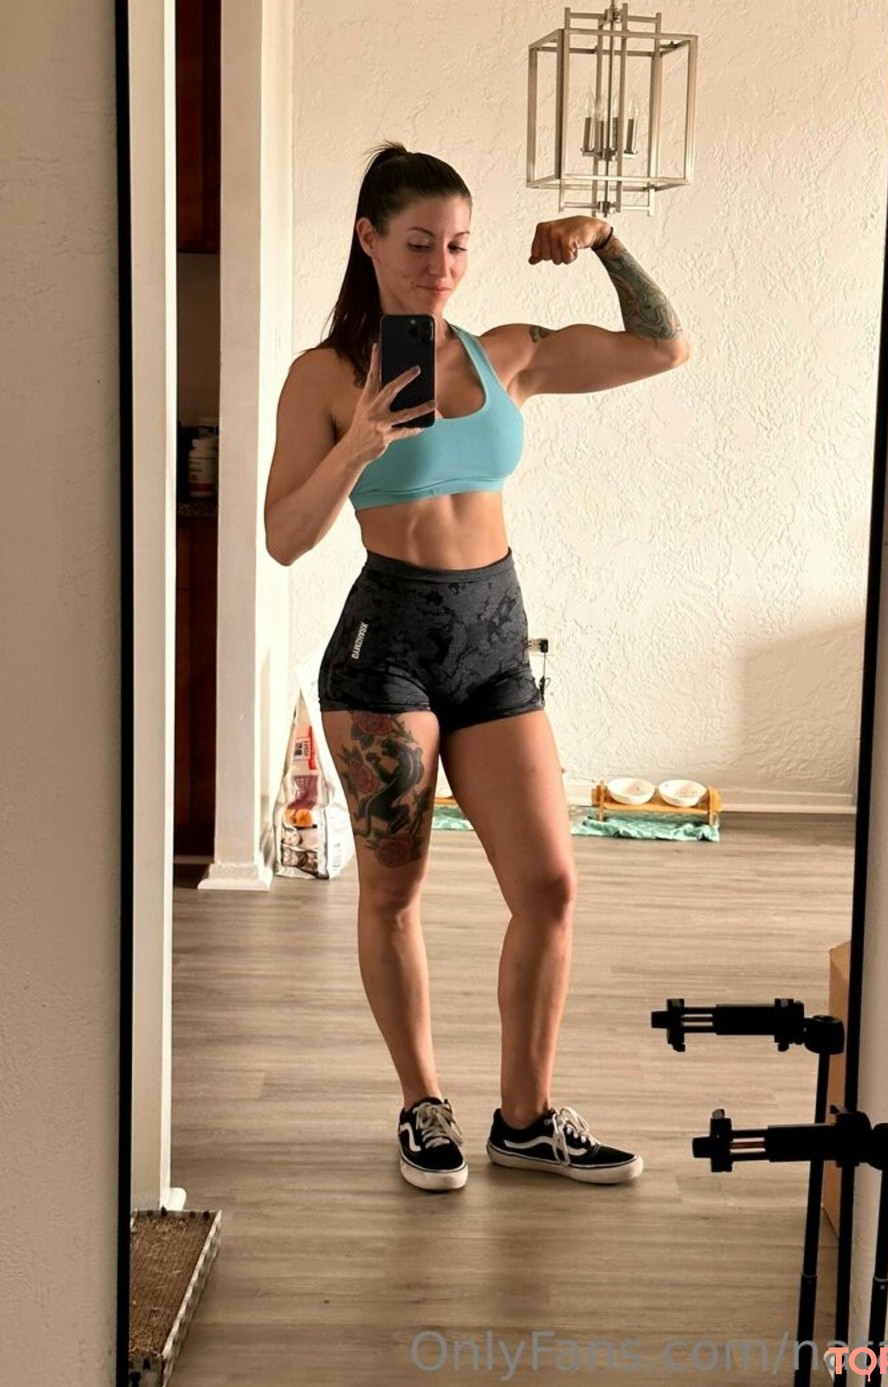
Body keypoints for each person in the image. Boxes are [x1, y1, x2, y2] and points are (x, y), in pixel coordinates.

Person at [264, 141, 689, 1193]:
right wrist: (357, 444)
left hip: (495, 641)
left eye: (458, 245)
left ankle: (527, 1120)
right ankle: (422, 1104)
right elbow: (283, 537)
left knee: (550, 886)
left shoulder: (508, 356)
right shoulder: (322, 378)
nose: (440, 267)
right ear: (368, 239)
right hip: (385, 651)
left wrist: (607, 241)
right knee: (393, 890)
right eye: (418, 244)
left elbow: (664, 347)